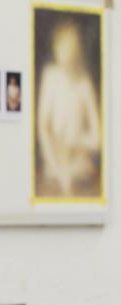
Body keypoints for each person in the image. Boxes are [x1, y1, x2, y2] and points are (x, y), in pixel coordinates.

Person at [36, 20, 101, 197]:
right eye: (62, 48)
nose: (66, 55)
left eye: (71, 49)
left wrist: (76, 143)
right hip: (53, 164)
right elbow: (43, 127)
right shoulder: (50, 77)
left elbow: (97, 138)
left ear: (77, 51)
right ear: (56, 49)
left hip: (80, 165)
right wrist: (58, 168)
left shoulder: (84, 83)